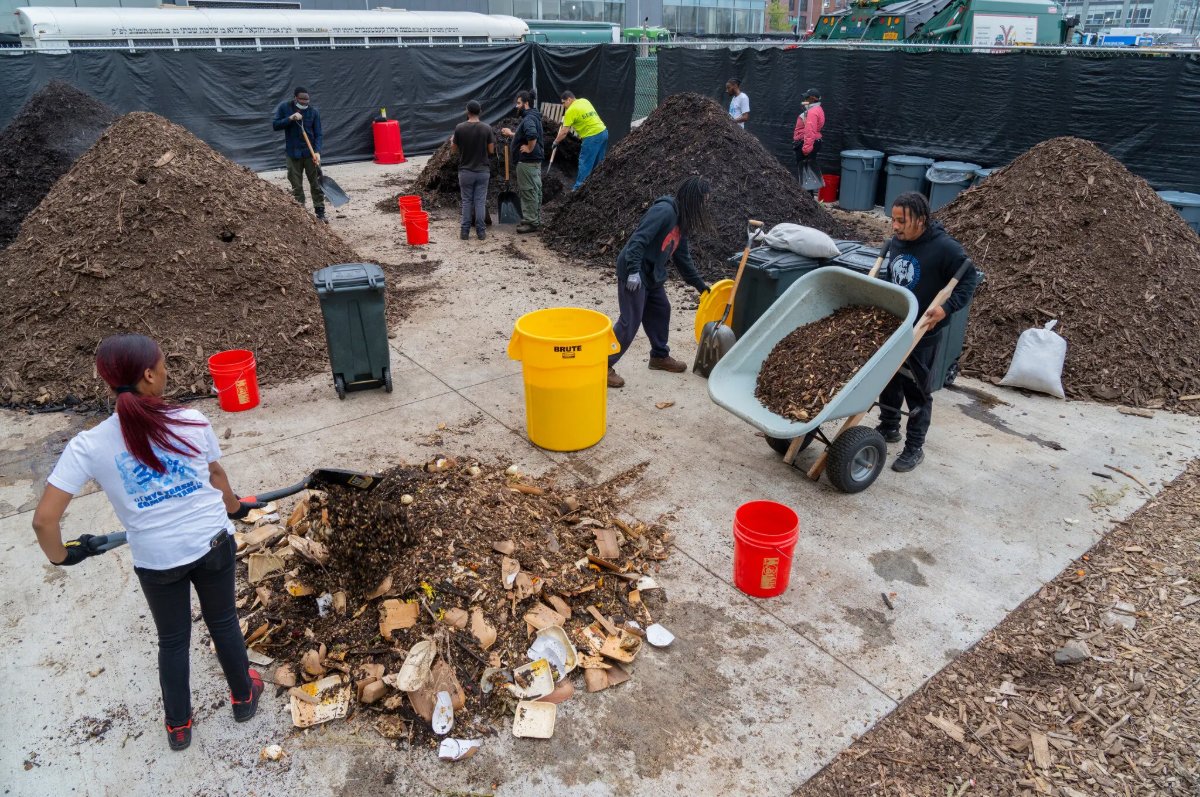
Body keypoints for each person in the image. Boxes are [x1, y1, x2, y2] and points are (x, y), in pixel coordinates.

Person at [32, 334, 265, 751]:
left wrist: (64, 557)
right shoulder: (192, 420)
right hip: (212, 543)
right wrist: (233, 507)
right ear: (148, 374)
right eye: (164, 364)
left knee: (173, 641)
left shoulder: (88, 445)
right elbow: (216, 479)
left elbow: (44, 521)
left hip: (157, 561)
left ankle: (179, 726)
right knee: (224, 621)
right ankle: (244, 697)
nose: (168, 371)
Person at [877, 192, 980, 472]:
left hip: (924, 332)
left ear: (920, 220)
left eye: (901, 221)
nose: (895, 226)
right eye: (893, 220)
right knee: (888, 380)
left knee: (917, 390)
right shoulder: (898, 242)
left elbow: (967, 282)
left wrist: (945, 309)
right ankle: (888, 428)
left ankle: (914, 447)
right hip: (896, 326)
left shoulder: (945, 248)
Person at [607, 176, 713, 388]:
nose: (704, 206)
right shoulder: (664, 212)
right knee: (630, 321)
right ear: (693, 199)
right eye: (703, 201)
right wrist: (633, 272)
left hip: (653, 274)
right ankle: (602, 365)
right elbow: (638, 241)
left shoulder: (682, 221)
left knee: (661, 310)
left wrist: (700, 285)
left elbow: (682, 258)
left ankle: (658, 357)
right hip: (634, 272)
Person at [272, 87, 325, 222]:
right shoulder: (285, 108)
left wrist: (317, 152)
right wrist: (290, 118)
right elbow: (275, 125)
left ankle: (320, 212)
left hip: (310, 154)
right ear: (295, 98)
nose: (305, 102)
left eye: (307, 100)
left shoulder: (313, 112)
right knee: (296, 185)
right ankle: (300, 213)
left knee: (317, 183)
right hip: (293, 153)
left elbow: (318, 134)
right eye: (302, 100)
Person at [450, 100, 496, 241]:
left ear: (467, 111)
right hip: (482, 172)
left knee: (467, 201)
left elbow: (453, 151)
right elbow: (491, 151)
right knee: (480, 202)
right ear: (480, 111)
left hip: (465, 172)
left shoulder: (459, 128)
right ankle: (481, 233)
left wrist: (453, 141)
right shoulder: (486, 128)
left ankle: (465, 233)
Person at [499, 91, 544, 234]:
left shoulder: (529, 119)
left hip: (527, 162)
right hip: (533, 161)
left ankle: (531, 223)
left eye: (518, 103)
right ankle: (533, 218)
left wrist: (529, 148)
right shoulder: (533, 116)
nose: (516, 106)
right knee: (534, 190)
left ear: (526, 103)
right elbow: (526, 134)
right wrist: (513, 134)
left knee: (528, 191)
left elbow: (531, 134)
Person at [554, 91, 608, 192]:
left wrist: (555, 142)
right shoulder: (584, 101)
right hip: (603, 132)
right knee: (599, 162)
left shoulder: (571, 110)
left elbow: (564, 132)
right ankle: (599, 186)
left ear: (569, 99)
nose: (563, 106)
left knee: (585, 163)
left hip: (592, 137)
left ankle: (578, 190)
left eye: (563, 103)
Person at [793, 88, 825, 194]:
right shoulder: (817, 109)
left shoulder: (812, 112)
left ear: (813, 99)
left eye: (807, 97)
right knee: (807, 173)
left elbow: (810, 131)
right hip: (811, 141)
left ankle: (807, 198)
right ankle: (808, 197)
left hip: (806, 143)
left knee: (805, 173)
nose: (805, 99)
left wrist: (806, 148)